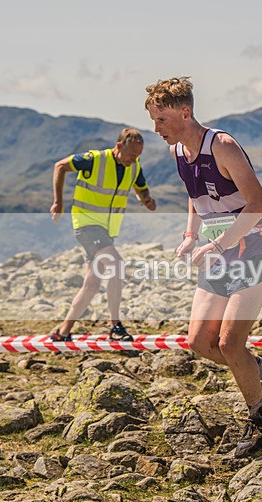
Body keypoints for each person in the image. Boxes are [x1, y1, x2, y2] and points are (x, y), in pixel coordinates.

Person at [144, 77, 262, 458]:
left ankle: (260, 417)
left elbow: (256, 204)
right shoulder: (178, 150)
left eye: (160, 119)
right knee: (200, 342)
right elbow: (197, 197)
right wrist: (191, 235)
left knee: (229, 343)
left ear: (185, 112)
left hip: (252, 250)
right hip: (216, 252)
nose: (155, 128)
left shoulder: (221, 145)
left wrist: (216, 243)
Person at [50, 128, 156, 342]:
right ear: (118, 146)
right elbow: (60, 166)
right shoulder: (94, 159)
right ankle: (115, 325)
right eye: (130, 155)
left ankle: (63, 331)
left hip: (106, 231)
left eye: (137, 156)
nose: (133, 160)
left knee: (92, 284)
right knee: (116, 264)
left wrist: (145, 199)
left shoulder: (134, 167)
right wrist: (58, 202)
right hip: (86, 224)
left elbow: (141, 188)